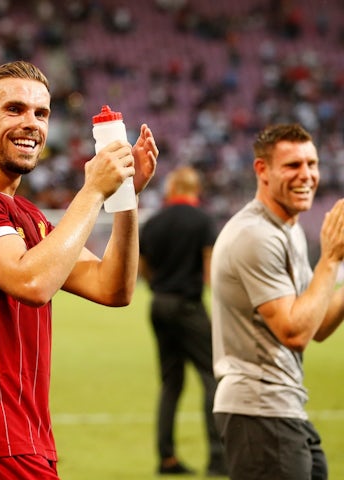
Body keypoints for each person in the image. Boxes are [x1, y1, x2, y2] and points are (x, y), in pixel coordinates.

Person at [0, 60, 158, 479]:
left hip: (23, 439)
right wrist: (92, 190)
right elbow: (31, 281)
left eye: (41, 113)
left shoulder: (28, 216)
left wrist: (124, 198)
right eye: (14, 109)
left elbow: (112, 288)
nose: (31, 123)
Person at [211, 123, 344, 480]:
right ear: (262, 170)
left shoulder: (287, 228)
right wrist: (330, 260)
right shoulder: (256, 235)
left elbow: (315, 325)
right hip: (259, 411)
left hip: (281, 407)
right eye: (292, 165)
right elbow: (294, 332)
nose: (307, 175)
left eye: (311, 164)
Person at [139, 165, 226, 476]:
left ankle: (166, 458)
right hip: (188, 306)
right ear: (195, 190)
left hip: (158, 304)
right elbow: (209, 270)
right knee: (212, 378)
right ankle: (218, 460)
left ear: (171, 189)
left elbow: (142, 265)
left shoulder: (153, 222)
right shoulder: (202, 220)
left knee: (170, 384)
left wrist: (158, 282)